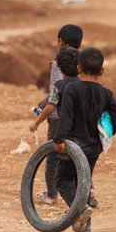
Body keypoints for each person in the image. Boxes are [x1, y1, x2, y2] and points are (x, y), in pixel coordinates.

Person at [53, 47, 116, 232]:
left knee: (63, 180)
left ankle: (81, 210)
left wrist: (59, 139)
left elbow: (66, 117)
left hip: (72, 145)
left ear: (78, 68)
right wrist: (106, 133)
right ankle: (85, 226)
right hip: (93, 146)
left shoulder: (72, 88)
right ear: (102, 71)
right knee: (83, 182)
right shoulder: (105, 93)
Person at [30, 24, 83, 206]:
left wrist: (41, 111)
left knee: (53, 157)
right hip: (76, 117)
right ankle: (87, 192)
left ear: (61, 41)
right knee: (78, 156)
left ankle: (52, 195)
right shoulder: (80, 61)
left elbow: (57, 93)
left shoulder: (58, 63)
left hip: (57, 118)